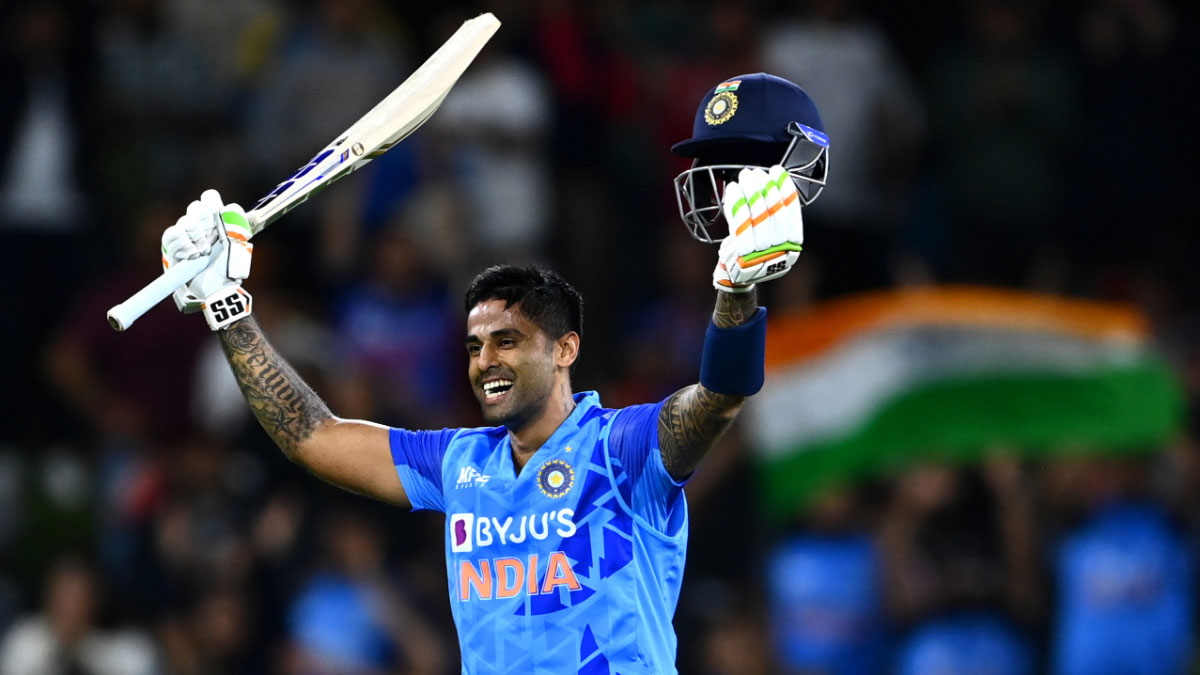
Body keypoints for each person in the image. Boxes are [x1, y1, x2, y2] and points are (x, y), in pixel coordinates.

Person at [154, 72, 828, 673]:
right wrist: (227, 306)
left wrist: (736, 290)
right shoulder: (458, 463)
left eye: (508, 341)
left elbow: (721, 395)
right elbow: (312, 436)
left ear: (565, 349)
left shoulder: (621, 449)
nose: (485, 362)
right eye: (475, 346)